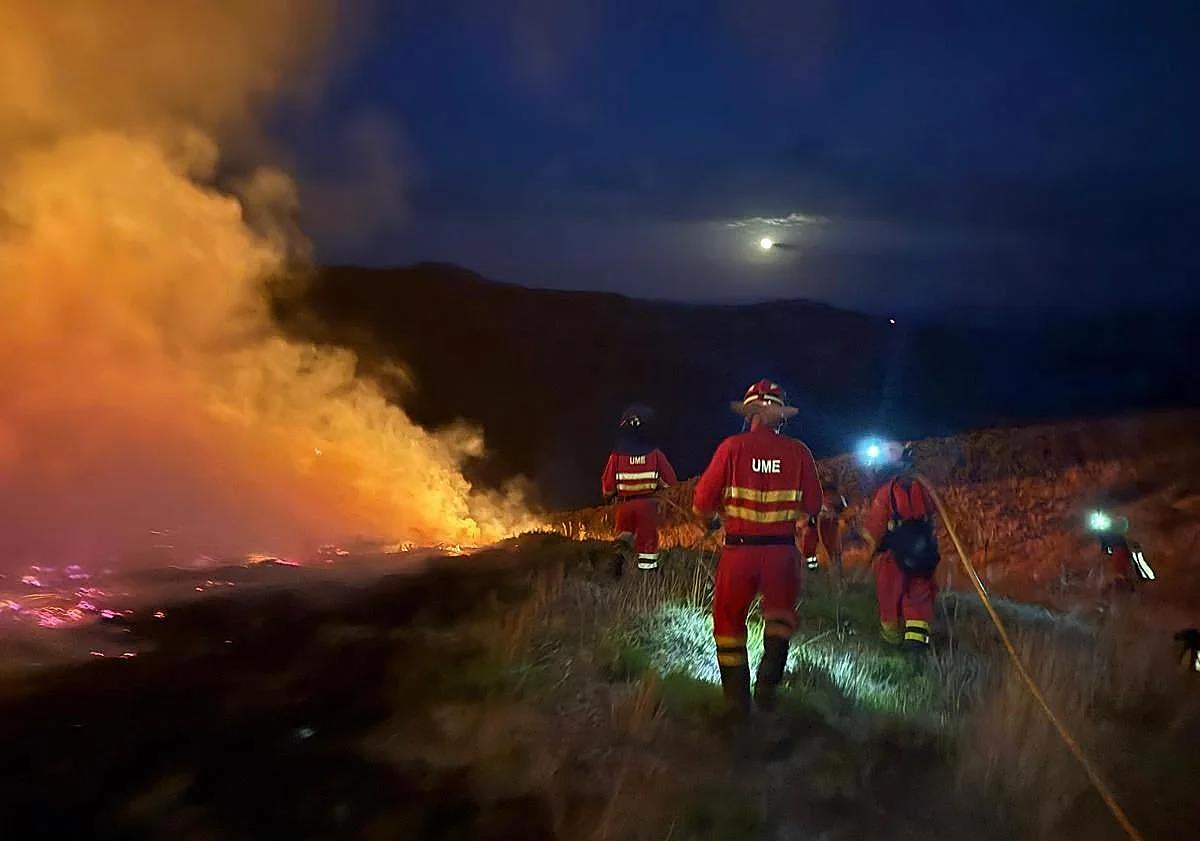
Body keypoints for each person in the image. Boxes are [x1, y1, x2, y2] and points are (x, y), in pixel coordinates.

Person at [692, 379, 822, 716]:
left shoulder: (731, 448)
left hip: (739, 553)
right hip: (781, 554)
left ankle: (736, 703)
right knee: (779, 618)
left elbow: (702, 501)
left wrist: (714, 518)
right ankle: (768, 686)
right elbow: (814, 503)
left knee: (728, 621)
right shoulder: (799, 452)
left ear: (750, 413)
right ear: (780, 417)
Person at [863, 443, 940, 651]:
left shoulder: (885, 492)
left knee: (890, 598)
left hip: (893, 555)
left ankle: (892, 647)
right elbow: (935, 515)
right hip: (924, 553)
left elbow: (876, 528)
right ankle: (917, 649)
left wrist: (870, 551)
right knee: (920, 596)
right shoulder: (923, 486)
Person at [601, 405, 677, 573]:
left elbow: (607, 488)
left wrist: (612, 495)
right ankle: (647, 578)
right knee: (647, 544)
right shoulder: (656, 454)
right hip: (648, 506)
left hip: (625, 506)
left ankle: (617, 570)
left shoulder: (616, 456)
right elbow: (671, 481)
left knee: (623, 537)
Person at [799, 480, 848, 572]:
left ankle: (835, 568)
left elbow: (844, 511)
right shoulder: (813, 498)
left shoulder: (839, 499)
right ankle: (812, 568)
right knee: (809, 547)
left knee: (833, 548)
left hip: (829, 524)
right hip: (814, 525)